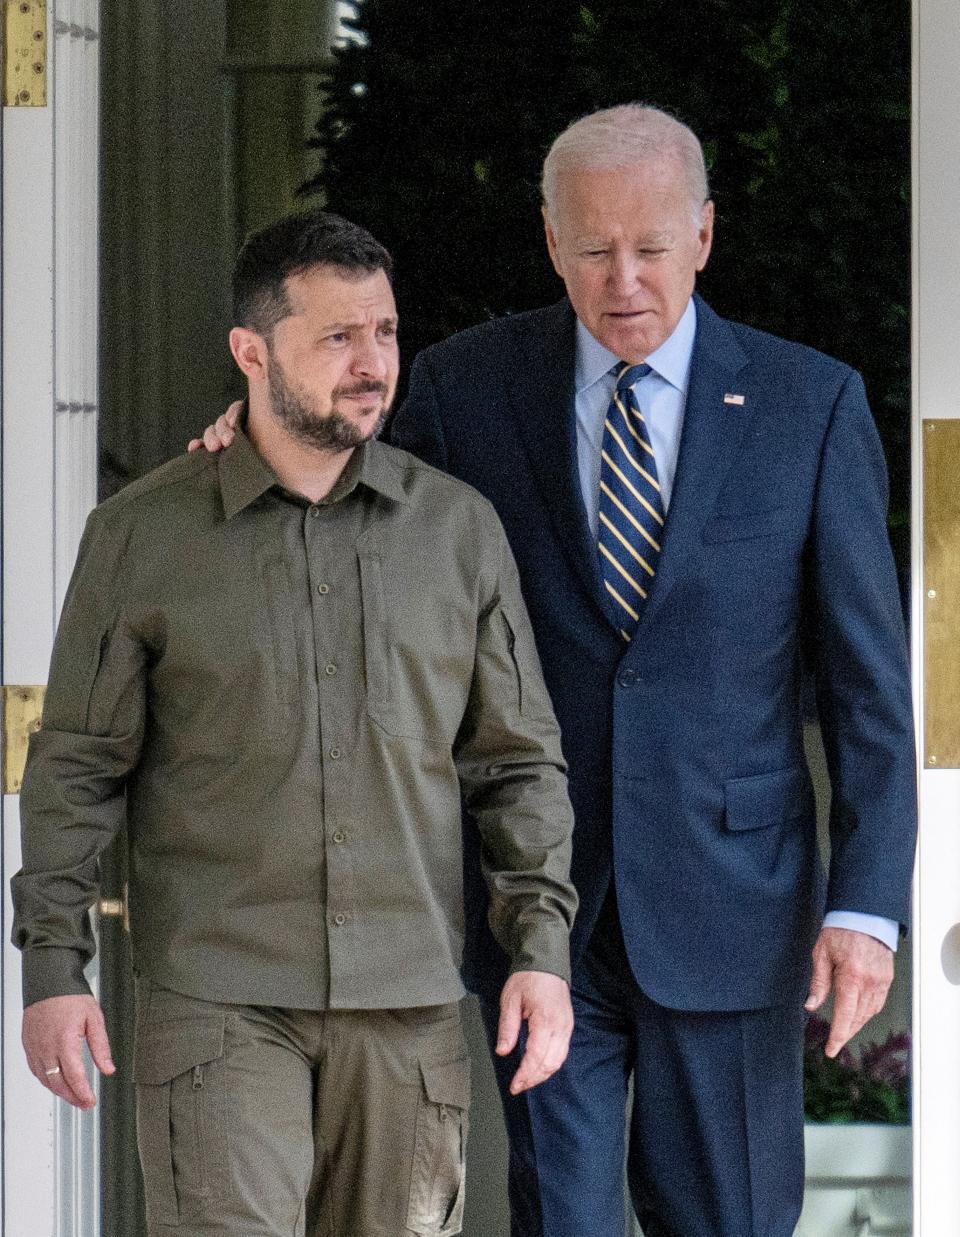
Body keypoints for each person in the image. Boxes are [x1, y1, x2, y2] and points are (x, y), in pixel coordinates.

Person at [195, 106, 917, 1237]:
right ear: (549, 241)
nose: (623, 278)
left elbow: (872, 683)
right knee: (561, 1218)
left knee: (729, 1218)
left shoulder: (806, 405)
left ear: (705, 238)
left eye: (651, 248)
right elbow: (354, 534)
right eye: (592, 248)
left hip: (734, 904)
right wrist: (258, 443)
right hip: (538, 906)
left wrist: (868, 905)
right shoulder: (465, 388)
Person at [12, 209, 580, 1237]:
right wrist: (54, 965)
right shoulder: (141, 536)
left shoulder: (458, 533)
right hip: (218, 1002)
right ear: (250, 352)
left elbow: (518, 765)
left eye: (387, 332)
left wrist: (539, 948)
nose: (373, 364)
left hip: (407, 1013)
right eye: (338, 337)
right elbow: (78, 765)